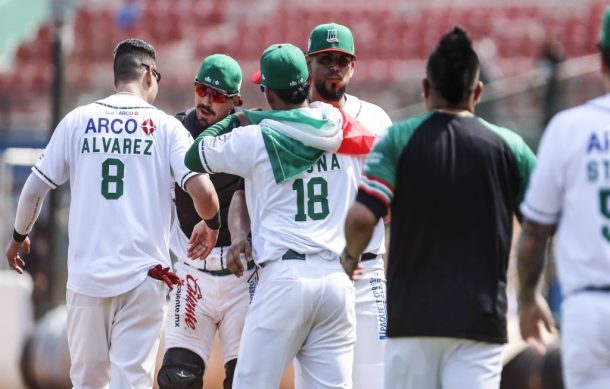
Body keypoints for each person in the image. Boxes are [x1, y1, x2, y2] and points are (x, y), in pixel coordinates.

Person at [4, 38, 220, 388]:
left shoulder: (77, 120)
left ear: (116, 76)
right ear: (150, 74)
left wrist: (17, 237)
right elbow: (205, 193)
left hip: (87, 278)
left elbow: (33, 189)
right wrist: (211, 224)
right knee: (132, 380)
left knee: (87, 381)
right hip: (144, 278)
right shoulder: (167, 128)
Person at [341, 27, 536, 389]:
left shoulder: (398, 139)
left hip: (412, 320)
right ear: (477, 92)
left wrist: (350, 259)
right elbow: (536, 232)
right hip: (480, 324)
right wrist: (530, 294)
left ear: (426, 88)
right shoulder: (511, 147)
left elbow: (361, 218)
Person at [185, 43, 361, 389]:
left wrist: (237, 118)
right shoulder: (339, 128)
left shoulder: (254, 138)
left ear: (267, 92)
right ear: (307, 81)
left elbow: (195, 155)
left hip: (285, 277)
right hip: (336, 280)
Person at [517, 7, 610, 388]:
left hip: (587, 306)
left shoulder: (568, 128)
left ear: (601, 58)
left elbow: (536, 232)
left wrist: (527, 299)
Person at [157, 53, 257, 389]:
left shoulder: (249, 135)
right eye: (202, 89)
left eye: (217, 96)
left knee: (245, 380)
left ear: (236, 101)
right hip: (191, 272)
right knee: (176, 380)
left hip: (242, 275)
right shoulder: (174, 131)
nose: (206, 100)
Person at [305, 22, 392, 389]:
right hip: (315, 273)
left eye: (343, 60)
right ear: (310, 63)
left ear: (353, 66)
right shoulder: (292, 118)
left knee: (376, 381)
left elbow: (394, 199)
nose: (335, 67)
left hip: (367, 276)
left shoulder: (376, 119)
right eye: (326, 59)